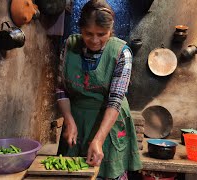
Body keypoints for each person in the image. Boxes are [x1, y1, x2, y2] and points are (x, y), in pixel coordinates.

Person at [56, 0, 142, 179]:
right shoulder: (70, 46)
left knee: (107, 173)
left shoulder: (121, 53)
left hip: (109, 121)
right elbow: (61, 88)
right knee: (72, 172)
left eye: (101, 34)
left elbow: (116, 99)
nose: (94, 40)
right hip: (78, 118)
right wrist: (69, 120)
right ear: (80, 29)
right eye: (88, 34)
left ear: (110, 30)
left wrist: (98, 139)